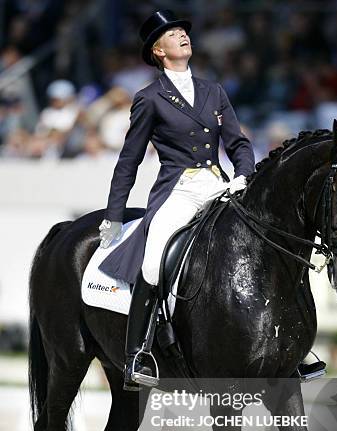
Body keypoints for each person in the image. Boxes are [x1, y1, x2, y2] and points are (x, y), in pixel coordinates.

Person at [98, 10, 255, 390]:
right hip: (178, 189)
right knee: (153, 263)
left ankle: (288, 349)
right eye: (172, 33)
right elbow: (129, 160)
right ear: (158, 51)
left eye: (183, 30)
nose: (183, 35)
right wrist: (115, 214)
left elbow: (238, 143)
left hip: (219, 184)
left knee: (263, 240)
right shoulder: (149, 98)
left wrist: (243, 176)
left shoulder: (213, 90)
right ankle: (139, 353)